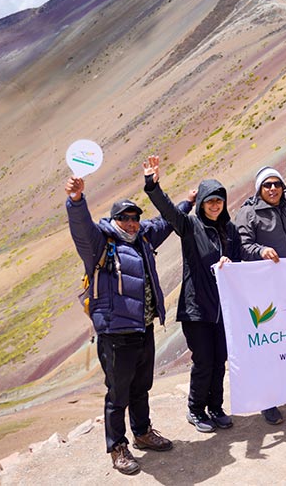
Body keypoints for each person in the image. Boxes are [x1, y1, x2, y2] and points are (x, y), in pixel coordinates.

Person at [66, 176, 191, 475]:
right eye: (125, 218)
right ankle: (117, 447)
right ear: (114, 220)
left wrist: (189, 202)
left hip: (143, 326)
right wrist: (76, 201)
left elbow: (165, 223)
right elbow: (81, 228)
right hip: (115, 332)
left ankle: (143, 433)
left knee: (141, 386)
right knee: (117, 392)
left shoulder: (144, 238)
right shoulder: (100, 242)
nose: (132, 223)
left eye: (135, 218)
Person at [143, 155, 242, 434]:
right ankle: (196, 410)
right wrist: (153, 185)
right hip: (197, 308)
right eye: (210, 201)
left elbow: (238, 259)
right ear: (201, 203)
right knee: (203, 361)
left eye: (219, 201)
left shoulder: (229, 230)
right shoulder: (188, 225)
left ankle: (216, 408)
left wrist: (230, 264)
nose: (214, 205)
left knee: (219, 359)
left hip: (222, 310)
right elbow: (168, 211)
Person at [235, 124, 286, 425]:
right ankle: (268, 400)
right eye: (267, 185)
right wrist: (260, 251)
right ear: (259, 189)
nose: (273, 189)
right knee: (269, 342)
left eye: (277, 184)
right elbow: (243, 245)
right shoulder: (248, 213)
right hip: (264, 290)